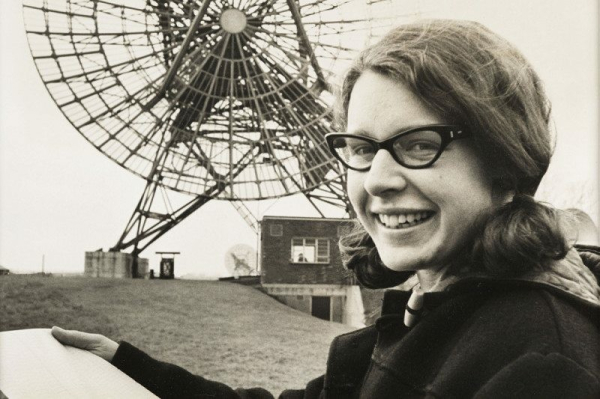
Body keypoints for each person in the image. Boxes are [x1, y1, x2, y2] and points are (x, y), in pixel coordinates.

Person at [52, 19, 600, 398]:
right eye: (360, 148)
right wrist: (127, 366)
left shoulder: (539, 362)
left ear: (507, 160)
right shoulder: (429, 304)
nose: (380, 181)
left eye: (418, 144)